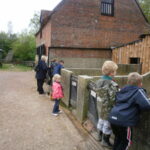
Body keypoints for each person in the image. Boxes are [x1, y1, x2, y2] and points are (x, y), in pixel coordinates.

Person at [109, 72, 150, 150]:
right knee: (126, 142)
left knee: (118, 139)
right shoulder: (138, 91)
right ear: (140, 84)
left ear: (128, 82)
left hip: (112, 118)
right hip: (124, 121)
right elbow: (146, 105)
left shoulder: (121, 90)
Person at [96, 60, 119, 148]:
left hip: (101, 106)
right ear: (111, 73)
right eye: (115, 71)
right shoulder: (112, 84)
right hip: (109, 108)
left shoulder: (99, 81)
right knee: (107, 124)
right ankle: (105, 141)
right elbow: (113, 99)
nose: (115, 72)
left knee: (101, 121)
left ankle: (99, 136)